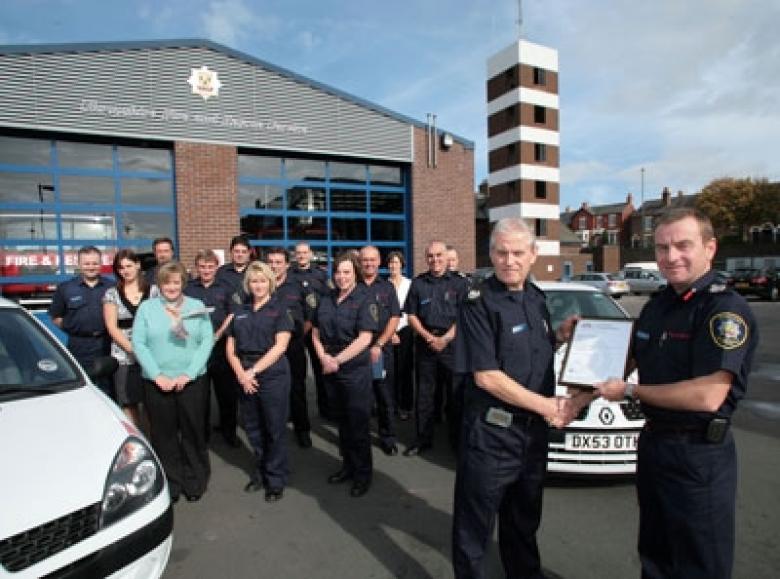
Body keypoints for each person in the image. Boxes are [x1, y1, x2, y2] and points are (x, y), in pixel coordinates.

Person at [596, 207, 758, 579]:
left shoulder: (724, 309)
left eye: (683, 245)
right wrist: (582, 353)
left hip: (698, 454)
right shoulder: (658, 306)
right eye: (662, 247)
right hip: (655, 446)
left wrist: (630, 390)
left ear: (710, 248)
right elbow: (626, 356)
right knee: (655, 557)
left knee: (698, 563)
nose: (671, 257)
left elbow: (708, 395)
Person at [451, 217, 582, 579]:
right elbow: (487, 376)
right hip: (493, 435)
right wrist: (548, 407)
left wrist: (560, 335)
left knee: (523, 522)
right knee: (474, 529)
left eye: (518, 253)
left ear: (533, 254)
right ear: (491, 254)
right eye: (502, 252)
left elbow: (529, 351)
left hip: (532, 436)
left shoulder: (537, 299)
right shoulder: (478, 302)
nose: (510, 261)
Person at [132, 261, 214, 503]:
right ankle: (172, 482)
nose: (171, 287)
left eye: (176, 282)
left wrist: (189, 373)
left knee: (193, 432)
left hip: (191, 381)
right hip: (157, 382)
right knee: (163, 435)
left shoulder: (196, 306)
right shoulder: (147, 308)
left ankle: (195, 480)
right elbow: (139, 343)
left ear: (183, 283)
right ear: (159, 284)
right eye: (167, 282)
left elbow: (206, 341)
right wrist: (157, 375)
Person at [311, 252, 378, 497]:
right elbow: (315, 332)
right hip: (330, 366)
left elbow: (365, 338)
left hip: (353, 369)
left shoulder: (365, 299)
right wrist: (323, 357)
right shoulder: (327, 298)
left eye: (347, 272)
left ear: (355, 273)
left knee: (357, 424)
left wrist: (336, 360)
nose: (341, 277)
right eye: (338, 272)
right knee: (342, 422)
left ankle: (363, 474)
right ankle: (348, 466)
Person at [226, 261, 293, 502]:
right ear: (248, 284)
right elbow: (230, 349)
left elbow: (280, 347)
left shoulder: (280, 310)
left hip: (272, 374)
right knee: (253, 428)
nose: (258, 285)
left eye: (262, 280)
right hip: (245, 373)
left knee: (274, 428)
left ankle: (275, 479)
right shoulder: (239, 312)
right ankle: (260, 472)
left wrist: (252, 372)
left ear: (270, 283)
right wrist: (241, 374)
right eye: (254, 281)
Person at [403, 240, 466, 456]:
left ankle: (456, 442)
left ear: (446, 257)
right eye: (430, 256)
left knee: (455, 396)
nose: (435, 260)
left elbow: (464, 316)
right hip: (426, 344)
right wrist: (429, 337)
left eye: (439, 255)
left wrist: (445, 339)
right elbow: (411, 315)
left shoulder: (460, 284)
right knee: (424, 396)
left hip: (452, 346)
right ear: (426, 258)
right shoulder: (418, 284)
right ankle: (422, 439)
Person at [185, 249, 239, 447]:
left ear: (216, 267)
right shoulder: (189, 289)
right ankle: (203, 435)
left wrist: (218, 334)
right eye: (202, 267)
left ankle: (229, 432)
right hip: (197, 348)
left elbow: (233, 313)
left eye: (210, 267)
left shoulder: (227, 287)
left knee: (227, 393)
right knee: (201, 394)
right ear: (197, 267)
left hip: (221, 347)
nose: (206, 270)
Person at [49, 246, 113, 394]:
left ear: (100, 264)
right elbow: (56, 317)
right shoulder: (66, 288)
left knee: (109, 389)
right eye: (86, 263)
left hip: (107, 344)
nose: (91, 267)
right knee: (83, 387)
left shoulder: (112, 287)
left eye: (95, 263)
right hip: (79, 346)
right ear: (79, 264)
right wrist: (73, 328)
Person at [265, 247, 312, 448]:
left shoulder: (297, 286)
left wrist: (297, 336)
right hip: (267, 349)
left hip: (293, 347)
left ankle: (302, 430)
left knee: (297, 389)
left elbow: (309, 317)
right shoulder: (260, 285)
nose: (274, 266)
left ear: (286, 264)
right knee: (271, 391)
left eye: (278, 262)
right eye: (271, 262)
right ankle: (273, 431)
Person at [360, 245, 401, 455]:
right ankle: (360, 437)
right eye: (365, 260)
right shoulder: (352, 286)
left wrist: (379, 344)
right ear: (360, 262)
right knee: (360, 397)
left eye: (372, 259)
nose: (369, 263)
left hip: (381, 349)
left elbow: (394, 317)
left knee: (385, 396)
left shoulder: (387, 288)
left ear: (378, 262)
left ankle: (388, 437)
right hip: (357, 351)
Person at [102, 249, 151, 426]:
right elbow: (112, 327)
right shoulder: (111, 294)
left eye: (129, 266)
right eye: (121, 268)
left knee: (151, 402)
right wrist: (133, 349)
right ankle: (136, 437)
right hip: (124, 356)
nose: (125, 271)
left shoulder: (154, 291)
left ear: (138, 265)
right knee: (128, 401)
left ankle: (154, 440)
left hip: (151, 355)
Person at [291, 242, 332, 419]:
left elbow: (328, 300)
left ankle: (326, 409)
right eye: (298, 253)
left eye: (304, 252)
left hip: (316, 330)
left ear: (310, 254)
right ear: (295, 255)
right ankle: (296, 413)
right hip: (296, 332)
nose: (301, 255)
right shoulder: (289, 274)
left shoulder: (321, 275)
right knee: (296, 374)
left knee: (321, 371)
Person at [387, 251, 413, 421]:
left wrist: (399, 330)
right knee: (390, 371)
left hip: (406, 331)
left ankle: (405, 405)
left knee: (405, 370)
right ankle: (391, 404)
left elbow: (412, 310)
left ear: (402, 265)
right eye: (390, 262)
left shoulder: (409, 284)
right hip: (388, 332)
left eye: (396, 262)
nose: (393, 265)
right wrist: (391, 332)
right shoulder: (384, 285)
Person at [216, 235, 253, 304]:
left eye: (244, 252)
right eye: (237, 251)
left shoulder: (255, 271)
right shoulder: (221, 272)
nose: (240, 255)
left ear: (249, 253)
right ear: (231, 251)